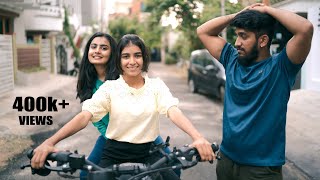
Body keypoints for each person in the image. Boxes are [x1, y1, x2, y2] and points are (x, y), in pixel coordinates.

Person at [31, 34, 214, 179]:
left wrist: (197, 137)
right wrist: (49, 142)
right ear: (118, 60)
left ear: (144, 58)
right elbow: (85, 116)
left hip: (149, 151)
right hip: (113, 153)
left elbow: (173, 111)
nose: (132, 61)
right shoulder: (110, 88)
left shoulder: (156, 86)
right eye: (126, 56)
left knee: (174, 175)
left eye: (137, 55)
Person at [197, 3, 313, 180]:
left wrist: (267, 9)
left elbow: (305, 28)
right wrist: (239, 14)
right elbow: (203, 31)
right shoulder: (231, 60)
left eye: (244, 36)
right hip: (226, 161)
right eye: (237, 36)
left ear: (263, 40)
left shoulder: (280, 68)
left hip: (261, 169)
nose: (237, 43)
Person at [75, 32, 179, 179]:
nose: (97, 51)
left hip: (142, 135)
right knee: (86, 174)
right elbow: (91, 116)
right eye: (93, 47)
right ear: (87, 51)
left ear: (113, 53)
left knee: (173, 166)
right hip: (111, 138)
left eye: (104, 48)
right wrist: (111, 136)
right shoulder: (88, 81)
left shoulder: (122, 76)